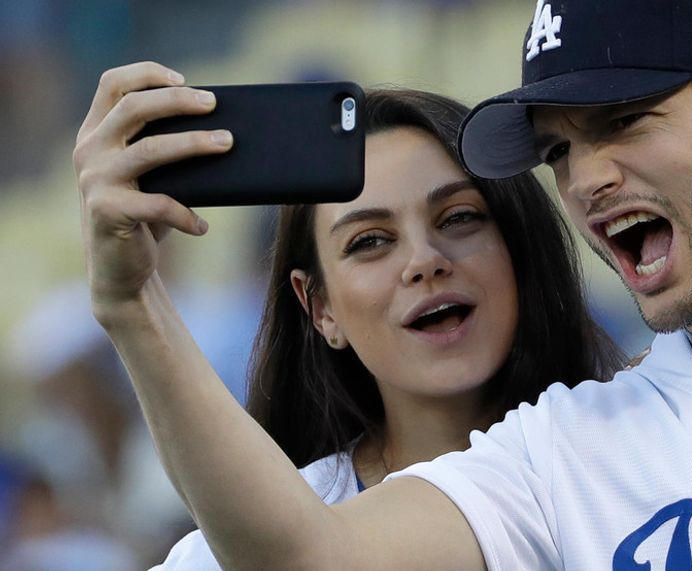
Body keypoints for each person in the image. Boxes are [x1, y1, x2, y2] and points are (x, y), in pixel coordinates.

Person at [76, 1, 692, 569]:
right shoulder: (568, 451)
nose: (586, 178)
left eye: (625, 121)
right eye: (561, 150)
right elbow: (307, 555)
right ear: (312, 304)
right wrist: (132, 306)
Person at [74, 79, 623, 569]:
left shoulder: (651, 443)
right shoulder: (220, 554)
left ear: (520, 247)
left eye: (459, 217)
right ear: (319, 309)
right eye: (370, 242)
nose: (424, 260)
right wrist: (130, 299)